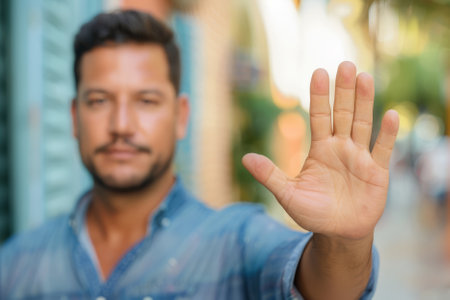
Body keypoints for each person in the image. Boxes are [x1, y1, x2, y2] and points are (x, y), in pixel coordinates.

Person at [0, 10, 399, 300]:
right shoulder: (15, 264)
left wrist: (345, 241)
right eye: (100, 100)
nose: (121, 123)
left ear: (180, 116)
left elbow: (325, 289)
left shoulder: (235, 241)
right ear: (74, 116)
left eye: (146, 100)